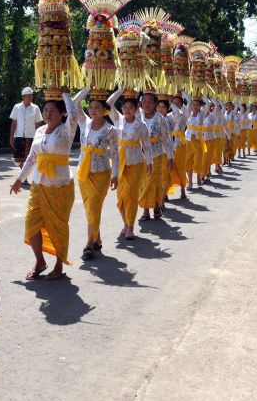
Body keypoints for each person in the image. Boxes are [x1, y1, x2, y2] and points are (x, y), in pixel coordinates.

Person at [10, 92, 79, 281]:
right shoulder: (40, 132)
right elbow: (32, 158)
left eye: (53, 111)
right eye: (46, 110)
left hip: (60, 186)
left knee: (58, 226)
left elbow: (73, 113)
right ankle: (40, 261)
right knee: (31, 224)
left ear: (62, 114)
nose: (48, 114)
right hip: (38, 185)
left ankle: (58, 265)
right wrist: (19, 178)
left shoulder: (66, 130)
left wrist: (64, 93)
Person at [73, 86, 119, 260]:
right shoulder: (84, 122)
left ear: (104, 110)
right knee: (89, 207)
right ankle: (97, 238)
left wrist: (115, 174)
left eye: (97, 107)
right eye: (90, 107)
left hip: (101, 173)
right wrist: (88, 88)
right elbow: (74, 102)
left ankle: (89, 244)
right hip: (83, 172)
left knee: (94, 206)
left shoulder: (110, 130)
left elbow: (115, 154)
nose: (93, 111)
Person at [108, 89, 153, 240]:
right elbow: (109, 102)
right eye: (125, 107)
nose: (127, 110)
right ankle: (125, 223)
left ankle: (131, 226)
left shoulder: (141, 126)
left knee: (132, 195)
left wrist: (150, 162)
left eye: (131, 107)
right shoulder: (117, 119)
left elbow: (146, 146)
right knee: (121, 195)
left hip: (136, 163)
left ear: (136, 109)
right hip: (119, 162)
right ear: (122, 109)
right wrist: (122, 89)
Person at [139, 92, 174, 221]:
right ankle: (146, 209)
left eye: (150, 102)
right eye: (144, 101)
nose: (147, 104)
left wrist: (170, 157)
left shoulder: (160, 118)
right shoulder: (138, 116)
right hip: (140, 156)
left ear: (154, 104)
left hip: (157, 155)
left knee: (154, 183)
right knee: (143, 183)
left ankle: (155, 206)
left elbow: (166, 138)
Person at [9, 87, 43, 169]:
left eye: (31, 96)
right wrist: (11, 137)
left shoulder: (36, 108)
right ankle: (23, 177)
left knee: (29, 159)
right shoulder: (17, 107)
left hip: (31, 137)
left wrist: (40, 137)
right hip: (19, 136)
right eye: (28, 96)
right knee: (18, 158)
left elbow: (38, 124)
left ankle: (24, 178)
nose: (30, 97)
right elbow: (14, 123)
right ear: (23, 97)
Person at [184, 91, 210, 188]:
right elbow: (188, 101)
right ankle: (190, 182)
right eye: (193, 105)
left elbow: (208, 104)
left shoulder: (202, 114)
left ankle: (198, 177)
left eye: (197, 105)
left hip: (198, 140)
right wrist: (183, 92)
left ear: (200, 106)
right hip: (188, 140)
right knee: (188, 161)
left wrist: (203, 95)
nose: (195, 106)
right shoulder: (188, 113)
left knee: (198, 160)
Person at [168, 93, 189, 199]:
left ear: (182, 105)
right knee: (169, 169)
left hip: (180, 144)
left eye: (178, 104)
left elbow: (189, 101)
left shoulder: (184, 115)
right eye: (174, 103)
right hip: (170, 145)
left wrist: (183, 92)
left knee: (181, 168)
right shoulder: (167, 116)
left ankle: (182, 189)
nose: (175, 105)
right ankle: (165, 191)